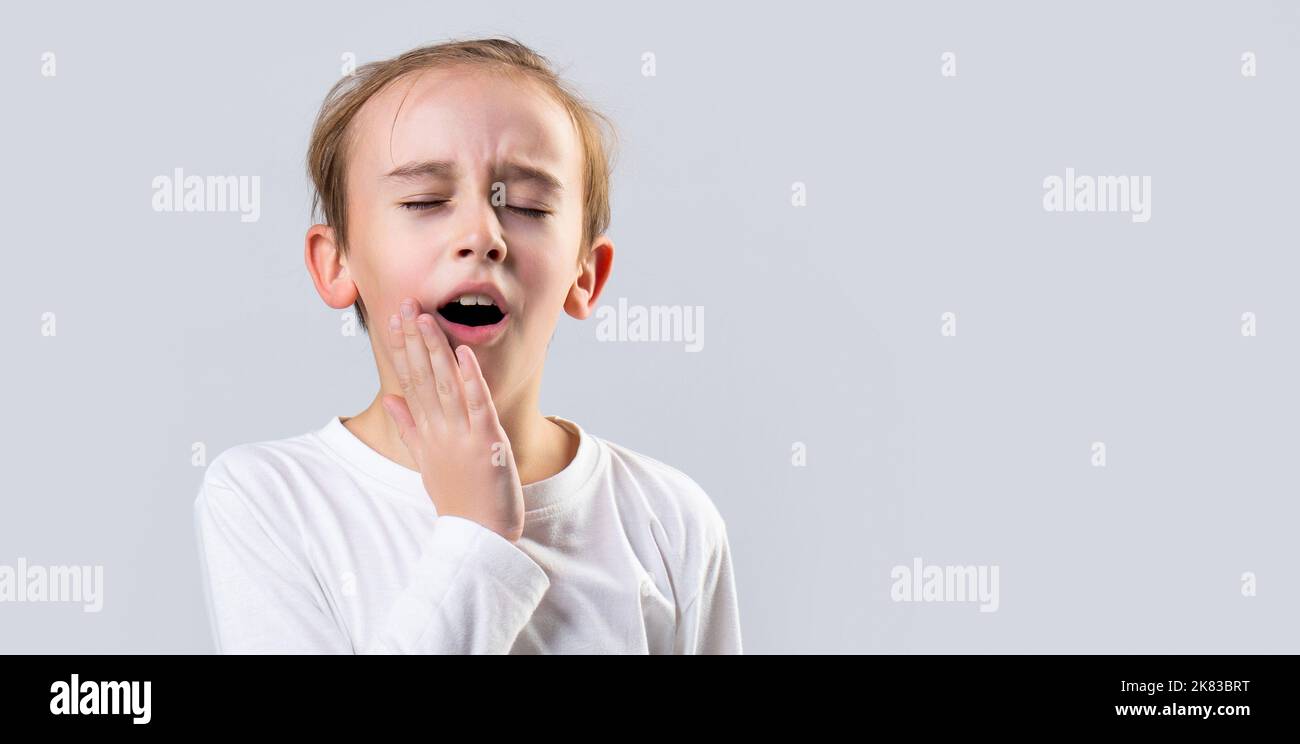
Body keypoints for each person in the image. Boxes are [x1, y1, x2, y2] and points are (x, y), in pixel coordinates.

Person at [192, 37, 741, 654]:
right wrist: (475, 531)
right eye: (424, 201)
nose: (483, 234)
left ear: (585, 274)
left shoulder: (670, 519)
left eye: (529, 206)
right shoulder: (269, 499)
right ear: (336, 262)